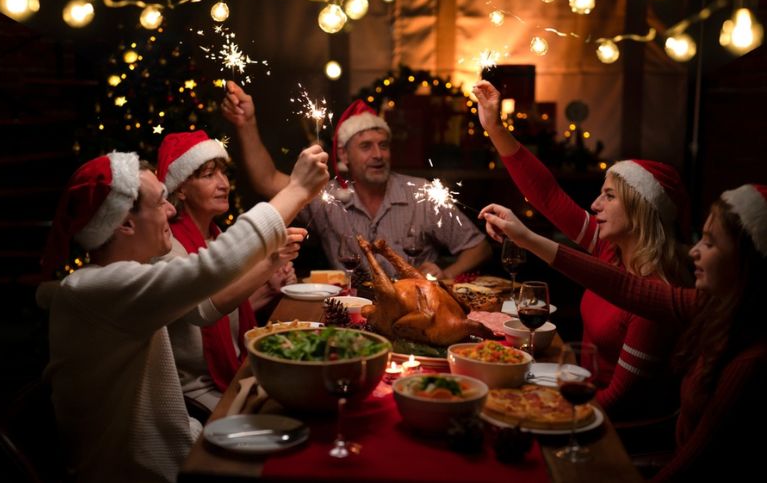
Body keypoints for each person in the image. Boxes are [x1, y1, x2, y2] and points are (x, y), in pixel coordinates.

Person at [36, 146, 329, 483]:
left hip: (182, 444)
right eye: (161, 201)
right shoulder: (99, 288)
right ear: (126, 224)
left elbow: (203, 307)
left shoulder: (131, 272)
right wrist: (296, 190)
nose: (172, 209)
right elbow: (211, 267)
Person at [480, 183, 767, 480]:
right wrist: (525, 238)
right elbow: (624, 287)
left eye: (710, 243)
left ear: (745, 263)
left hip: (640, 448)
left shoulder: (750, 362)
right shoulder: (709, 306)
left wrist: (543, 414)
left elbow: (695, 462)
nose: (694, 251)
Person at [472, 80, 692, 421]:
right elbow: (548, 195)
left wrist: (542, 414)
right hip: (580, 390)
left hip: (614, 428)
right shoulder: (610, 249)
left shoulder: (655, 296)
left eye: (609, 196)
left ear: (641, 211)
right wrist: (495, 128)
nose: (595, 204)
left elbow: (618, 400)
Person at [221, 81, 492, 279]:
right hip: (352, 314)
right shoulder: (327, 198)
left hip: (417, 309)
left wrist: (444, 273)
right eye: (366, 147)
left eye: (383, 145)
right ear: (343, 155)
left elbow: (479, 248)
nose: (378, 155)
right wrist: (247, 123)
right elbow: (266, 181)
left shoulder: (422, 194)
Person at [156, 131, 300, 411]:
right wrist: (268, 264)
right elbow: (204, 311)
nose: (223, 184)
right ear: (180, 188)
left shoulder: (214, 234)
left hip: (232, 370)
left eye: (222, 173)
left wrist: (270, 287)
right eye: (208, 175)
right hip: (195, 389)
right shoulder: (170, 247)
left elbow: (227, 310)